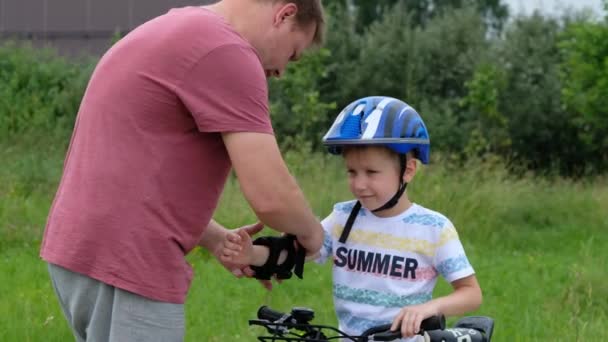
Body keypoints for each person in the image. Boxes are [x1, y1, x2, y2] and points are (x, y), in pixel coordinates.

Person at [39, 0, 325, 341]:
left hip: (80, 250)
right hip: (129, 261)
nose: (281, 71)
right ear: (285, 13)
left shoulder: (176, 28)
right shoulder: (228, 52)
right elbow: (271, 196)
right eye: (292, 53)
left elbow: (131, 170)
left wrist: (215, 239)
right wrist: (313, 237)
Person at [221, 96, 483, 341]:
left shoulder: (434, 228)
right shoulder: (343, 217)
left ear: (408, 170)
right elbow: (297, 252)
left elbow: (471, 293)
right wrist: (252, 255)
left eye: (371, 172)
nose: (359, 184)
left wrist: (429, 308)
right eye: (352, 172)